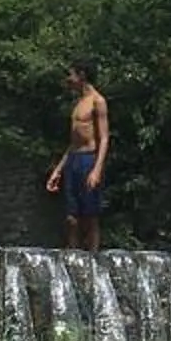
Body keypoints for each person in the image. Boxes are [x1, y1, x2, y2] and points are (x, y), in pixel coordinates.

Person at [46, 62, 110, 251]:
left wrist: (97, 170)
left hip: (89, 159)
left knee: (90, 216)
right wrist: (58, 170)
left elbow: (104, 138)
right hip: (74, 159)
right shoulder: (78, 103)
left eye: (71, 75)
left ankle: (94, 260)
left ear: (81, 75)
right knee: (71, 218)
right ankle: (74, 257)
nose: (68, 79)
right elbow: (73, 142)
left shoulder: (97, 101)